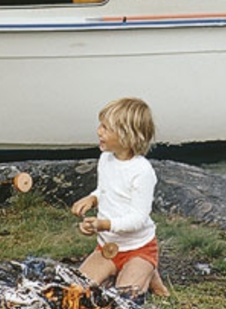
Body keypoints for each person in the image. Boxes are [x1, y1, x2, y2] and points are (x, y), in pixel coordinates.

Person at [71, 97, 168, 297]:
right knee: (76, 290)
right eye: (101, 125)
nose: (99, 131)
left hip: (138, 248)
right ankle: (142, 272)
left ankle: (146, 268)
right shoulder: (105, 159)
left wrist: (103, 224)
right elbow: (106, 190)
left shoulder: (142, 171)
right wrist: (92, 199)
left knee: (122, 298)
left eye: (106, 128)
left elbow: (138, 219)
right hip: (108, 248)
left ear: (127, 136)